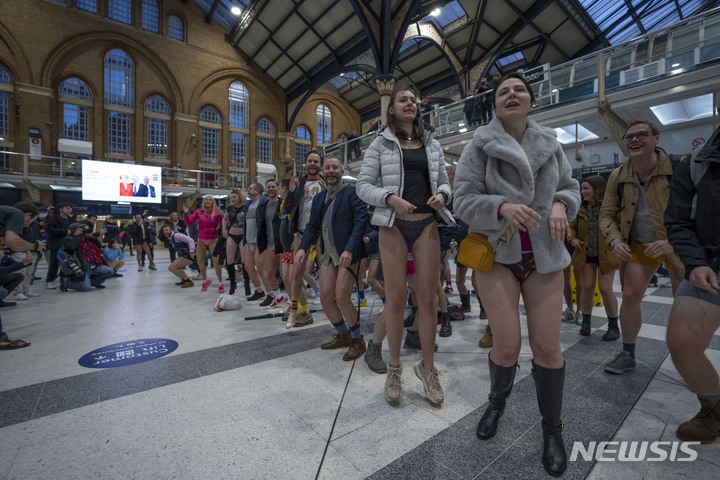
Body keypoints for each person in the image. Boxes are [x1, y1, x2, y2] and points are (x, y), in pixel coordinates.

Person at [453, 72, 580, 477]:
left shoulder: (550, 144)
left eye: (519, 90)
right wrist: (501, 207)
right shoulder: (480, 144)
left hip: (544, 255)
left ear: (530, 100)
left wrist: (561, 203)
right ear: (495, 104)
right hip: (498, 255)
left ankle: (553, 430)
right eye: (503, 92)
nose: (511, 95)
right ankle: (496, 403)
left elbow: (571, 188)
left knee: (547, 348)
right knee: (507, 345)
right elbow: (462, 200)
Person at [356, 85, 454, 406]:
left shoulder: (432, 143)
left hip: (427, 223)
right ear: (392, 109)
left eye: (413, 100)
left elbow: (443, 181)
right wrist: (389, 198)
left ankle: (428, 370)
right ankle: (394, 369)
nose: (409, 103)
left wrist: (442, 195)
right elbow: (363, 186)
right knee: (396, 300)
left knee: (426, 300)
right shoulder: (380, 144)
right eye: (403, 100)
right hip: (393, 226)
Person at [599, 120, 685, 374]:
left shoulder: (679, 169)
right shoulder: (618, 176)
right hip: (638, 243)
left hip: (676, 243)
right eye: (629, 137)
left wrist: (673, 243)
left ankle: (688, 355)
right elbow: (606, 215)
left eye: (642, 135)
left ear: (656, 139)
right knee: (629, 295)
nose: (634, 140)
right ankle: (628, 353)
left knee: (683, 301)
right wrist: (615, 240)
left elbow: (700, 212)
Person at [664, 126, 720, 444]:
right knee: (683, 342)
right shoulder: (696, 161)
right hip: (711, 263)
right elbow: (678, 220)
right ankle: (713, 411)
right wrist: (696, 262)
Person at [296, 157, 368, 359]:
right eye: (327, 167)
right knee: (326, 297)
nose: (331, 171)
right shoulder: (319, 198)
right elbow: (311, 227)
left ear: (341, 170)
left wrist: (350, 249)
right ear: (322, 170)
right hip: (327, 254)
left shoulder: (352, 193)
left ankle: (357, 339)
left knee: (342, 295)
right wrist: (302, 248)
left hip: (347, 253)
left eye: (335, 167)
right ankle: (343, 334)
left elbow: (361, 221)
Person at [568, 175, 620, 339]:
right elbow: (571, 227)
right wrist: (572, 239)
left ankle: (613, 326)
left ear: (597, 189)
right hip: (585, 254)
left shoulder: (610, 207)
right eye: (581, 188)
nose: (582, 192)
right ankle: (586, 323)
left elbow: (620, 227)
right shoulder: (579, 207)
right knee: (586, 287)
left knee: (606, 289)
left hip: (606, 254)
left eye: (586, 188)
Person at [285, 149, 326, 328]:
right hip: (302, 233)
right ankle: (296, 309)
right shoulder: (299, 183)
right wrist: (291, 193)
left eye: (316, 161)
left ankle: (333, 308)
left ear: (320, 165)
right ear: (306, 163)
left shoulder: (326, 182)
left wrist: (328, 195)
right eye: (310, 161)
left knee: (327, 272)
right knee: (297, 273)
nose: (313, 164)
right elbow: (287, 208)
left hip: (322, 234)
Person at [183, 196, 223, 292]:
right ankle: (205, 281)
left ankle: (220, 283)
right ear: (203, 202)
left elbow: (222, 226)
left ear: (213, 202)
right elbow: (188, 222)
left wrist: (220, 215)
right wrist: (186, 213)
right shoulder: (198, 212)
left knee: (216, 262)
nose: (208, 201)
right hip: (201, 240)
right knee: (200, 262)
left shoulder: (216, 212)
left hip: (213, 239)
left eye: (210, 199)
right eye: (206, 200)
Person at [60, 222, 115, 291]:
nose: (82, 232)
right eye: (79, 230)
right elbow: (71, 247)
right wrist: (76, 235)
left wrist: (92, 237)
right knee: (85, 288)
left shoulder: (87, 239)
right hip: (82, 268)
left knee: (110, 271)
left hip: (94, 266)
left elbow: (99, 246)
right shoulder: (67, 239)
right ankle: (66, 283)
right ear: (73, 230)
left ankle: (95, 282)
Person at [242, 183, 270, 302]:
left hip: (260, 240)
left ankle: (271, 293)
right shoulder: (248, 204)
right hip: (249, 240)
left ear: (257, 190)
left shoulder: (264, 202)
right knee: (248, 266)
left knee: (260, 267)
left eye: (250, 189)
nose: (248, 191)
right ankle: (259, 290)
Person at [258, 179, 284, 307]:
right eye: (268, 187)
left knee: (286, 275)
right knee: (268, 273)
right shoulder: (263, 206)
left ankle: (292, 301)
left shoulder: (283, 203)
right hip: (270, 244)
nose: (271, 189)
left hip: (282, 243)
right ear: (265, 189)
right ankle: (278, 296)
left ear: (278, 188)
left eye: (274, 186)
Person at [43, 201, 72, 289]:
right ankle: (50, 281)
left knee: (67, 263)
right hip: (56, 243)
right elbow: (49, 229)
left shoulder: (70, 219)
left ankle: (64, 281)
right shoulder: (53, 218)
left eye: (69, 208)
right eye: (66, 208)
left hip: (68, 244)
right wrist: (64, 232)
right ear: (60, 209)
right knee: (54, 263)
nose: (69, 210)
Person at [223, 190, 246, 295]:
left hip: (242, 236)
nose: (232, 199)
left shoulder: (246, 208)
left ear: (240, 198)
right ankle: (233, 285)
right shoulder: (229, 209)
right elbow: (224, 219)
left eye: (234, 197)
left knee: (244, 260)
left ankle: (247, 284)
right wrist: (224, 229)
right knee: (230, 260)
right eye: (231, 197)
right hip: (232, 235)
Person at [161, 223, 196, 288]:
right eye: (164, 231)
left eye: (166, 230)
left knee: (172, 267)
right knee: (174, 267)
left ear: (171, 230)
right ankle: (184, 280)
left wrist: (191, 252)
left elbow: (190, 240)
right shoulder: (171, 238)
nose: (165, 232)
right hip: (184, 255)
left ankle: (188, 281)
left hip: (190, 255)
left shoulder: (177, 235)